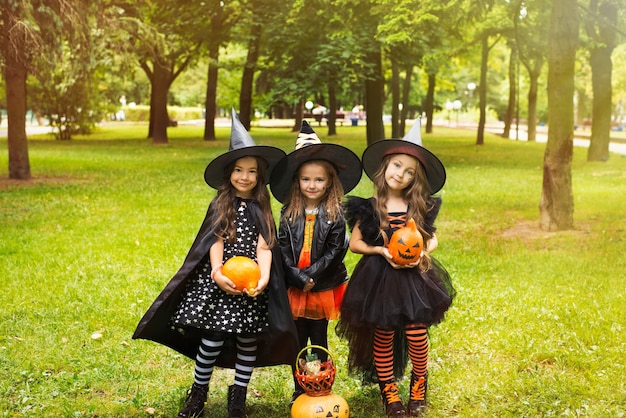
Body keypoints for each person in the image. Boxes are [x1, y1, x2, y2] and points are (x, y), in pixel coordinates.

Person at [133, 109, 298, 418]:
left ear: (260, 176)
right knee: (212, 338)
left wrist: (262, 278)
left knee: (248, 340)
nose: (245, 177)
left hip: (251, 288)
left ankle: (238, 399)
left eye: (252, 171)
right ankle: (198, 394)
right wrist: (217, 272)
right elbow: (215, 240)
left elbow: (265, 246)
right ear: (229, 173)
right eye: (239, 170)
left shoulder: (263, 207)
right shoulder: (221, 203)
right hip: (223, 284)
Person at [336, 118, 455, 417]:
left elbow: (432, 238)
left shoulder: (419, 205)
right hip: (379, 278)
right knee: (384, 332)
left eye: (409, 171)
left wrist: (423, 254)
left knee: (416, 331)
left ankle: (419, 385)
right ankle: (389, 391)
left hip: (413, 277)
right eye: (397, 166)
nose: (400, 174)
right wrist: (379, 249)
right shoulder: (370, 205)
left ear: (416, 178)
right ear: (385, 166)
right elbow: (355, 244)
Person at [269, 121, 362, 405]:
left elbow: (337, 250)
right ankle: (299, 388)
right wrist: (297, 276)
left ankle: (321, 383)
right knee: (296, 340)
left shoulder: (334, 214)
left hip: (322, 286)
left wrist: (312, 276)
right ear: (297, 181)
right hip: (295, 285)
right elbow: (281, 247)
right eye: (306, 179)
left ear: (330, 181)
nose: (312, 185)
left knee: (318, 337)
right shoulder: (288, 212)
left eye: (319, 180)